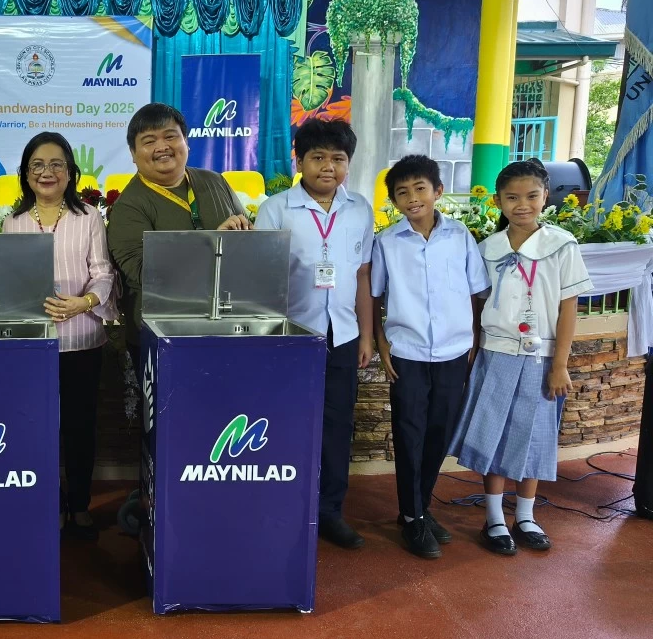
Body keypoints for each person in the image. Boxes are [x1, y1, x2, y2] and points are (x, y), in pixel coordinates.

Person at [447, 159, 593, 555]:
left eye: (531, 196)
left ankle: (525, 516)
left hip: (541, 358)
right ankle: (494, 519)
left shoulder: (562, 245)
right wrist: (472, 352)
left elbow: (568, 309)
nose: (522, 204)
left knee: (533, 438)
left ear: (546, 196)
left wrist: (560, 364)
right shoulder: (487, 249)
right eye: (512, 197)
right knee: (494, 436)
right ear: (497, 201)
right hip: (495, 354)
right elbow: (477, 307)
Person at [253, 119, 375, 550]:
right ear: (299, 161)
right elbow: (263, 277)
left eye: (338, 159)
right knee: (285, 421)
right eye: (318, 158)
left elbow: (362, 275)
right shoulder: (276, 208)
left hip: (340, 334)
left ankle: (329, 510)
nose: (328, 167)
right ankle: (284, 503)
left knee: (338, 424)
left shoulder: (359, 208)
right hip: (290, 335)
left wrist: (365, 336)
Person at [371, 155, 489, 558]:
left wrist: (474, 336)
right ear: (394, 202)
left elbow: (476, 292)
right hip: (407, 352)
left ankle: (420, 508)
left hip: (454, 351)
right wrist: (382, 344)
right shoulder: (387, 242)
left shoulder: (460, 237)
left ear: (438, 191)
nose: (412, 197)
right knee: (410, 433)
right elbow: (374, 297)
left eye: (420, 188)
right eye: (402, 192)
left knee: (439, 432)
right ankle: (410, 517)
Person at [3, 132, 117, 539]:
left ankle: (81, 503)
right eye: (37, 165)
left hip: (82, 341)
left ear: (70, 173)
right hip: (32, 346)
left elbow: (103, 272)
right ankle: (49, 500)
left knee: (80, 426)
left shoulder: (89, 218)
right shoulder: (12, 222)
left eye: (56, 164)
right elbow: (8, 280)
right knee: (38, 428)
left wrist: (84, 302)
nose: (46, 172)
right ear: (26, 174)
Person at [107, 102, 248, 364]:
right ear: (133, 153)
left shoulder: (215, 181)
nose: (162, 147)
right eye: (149, 141)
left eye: (171, 136)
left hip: (224, 323)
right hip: (162, 334)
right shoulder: (128, 207)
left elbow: (246, 244)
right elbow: (145, 272)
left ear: (186, 141)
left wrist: (243, 233)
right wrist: (213, 242)